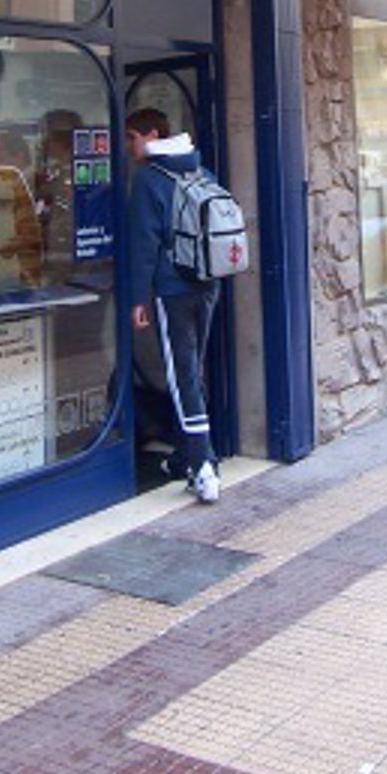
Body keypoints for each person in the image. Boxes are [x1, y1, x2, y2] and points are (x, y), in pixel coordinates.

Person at [121, 106, 221, 504]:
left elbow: (143, 244)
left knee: (181, 377)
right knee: (192, 371)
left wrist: (138, 298)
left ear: (150, 134)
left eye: (131, 137)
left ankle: (203, 466)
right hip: (207, 284)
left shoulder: (148, 178)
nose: (128, 146)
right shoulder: (199, 170)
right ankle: (189, 455)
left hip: (171, 288)